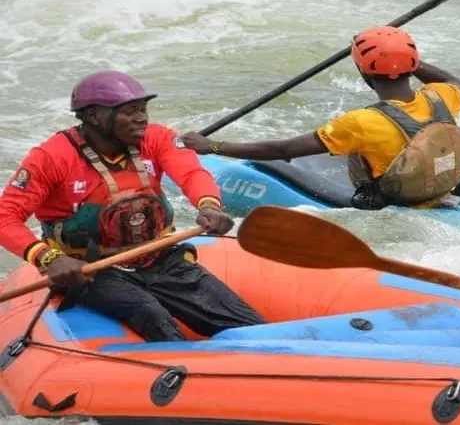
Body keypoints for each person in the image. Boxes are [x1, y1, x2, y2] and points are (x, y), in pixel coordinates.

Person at [0, 71, 266, 342]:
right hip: (92, 270)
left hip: (158, 257)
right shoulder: (52, 157)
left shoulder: (157, 138)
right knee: (151, 314)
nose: (142, 118)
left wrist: (209, 206)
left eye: (143, 109)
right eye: (130, 111)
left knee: (247, 323)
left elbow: (191, 174)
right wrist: (48, 258)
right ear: (93, 116)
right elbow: (5, 216)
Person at [181, 26, 460, 210]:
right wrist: (404, 58)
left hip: (390, 203)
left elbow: (282, 151)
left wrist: (213, 146)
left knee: (350, 148)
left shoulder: (360, 123)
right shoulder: (443, 96)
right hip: (439, 193)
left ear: (363, 73)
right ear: (412, 65)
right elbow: (456, 82)